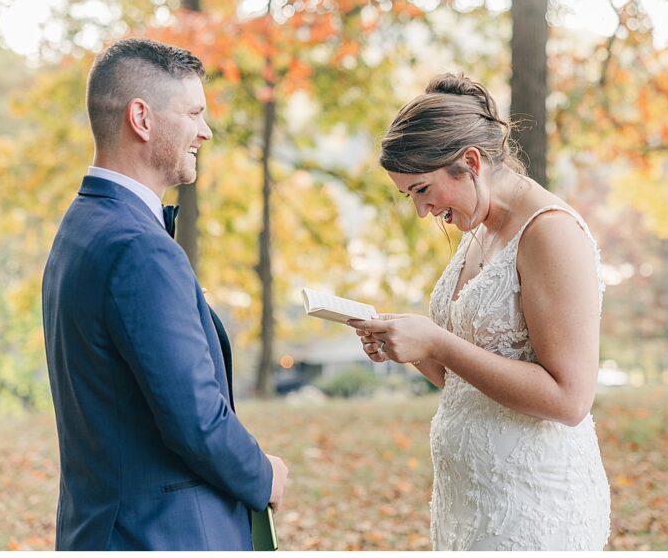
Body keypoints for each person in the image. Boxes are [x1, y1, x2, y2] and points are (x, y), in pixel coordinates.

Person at [42, 38, 288, 550]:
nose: (206, 130)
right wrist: (263, 474)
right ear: (142, 118)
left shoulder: (82, 225)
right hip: (158, 533)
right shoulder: (137, 247)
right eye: (194, 113)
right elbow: (195, 417)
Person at [349, 73, 611, 550]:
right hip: (469, 505)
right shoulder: (480, 230)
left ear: (470, 162)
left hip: (533, 505)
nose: (423, 212)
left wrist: (437, 341)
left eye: (423, 190)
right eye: (410, 195)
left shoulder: (549, 233)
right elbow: (466, 382)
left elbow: (570, 399)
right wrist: (408, 348)